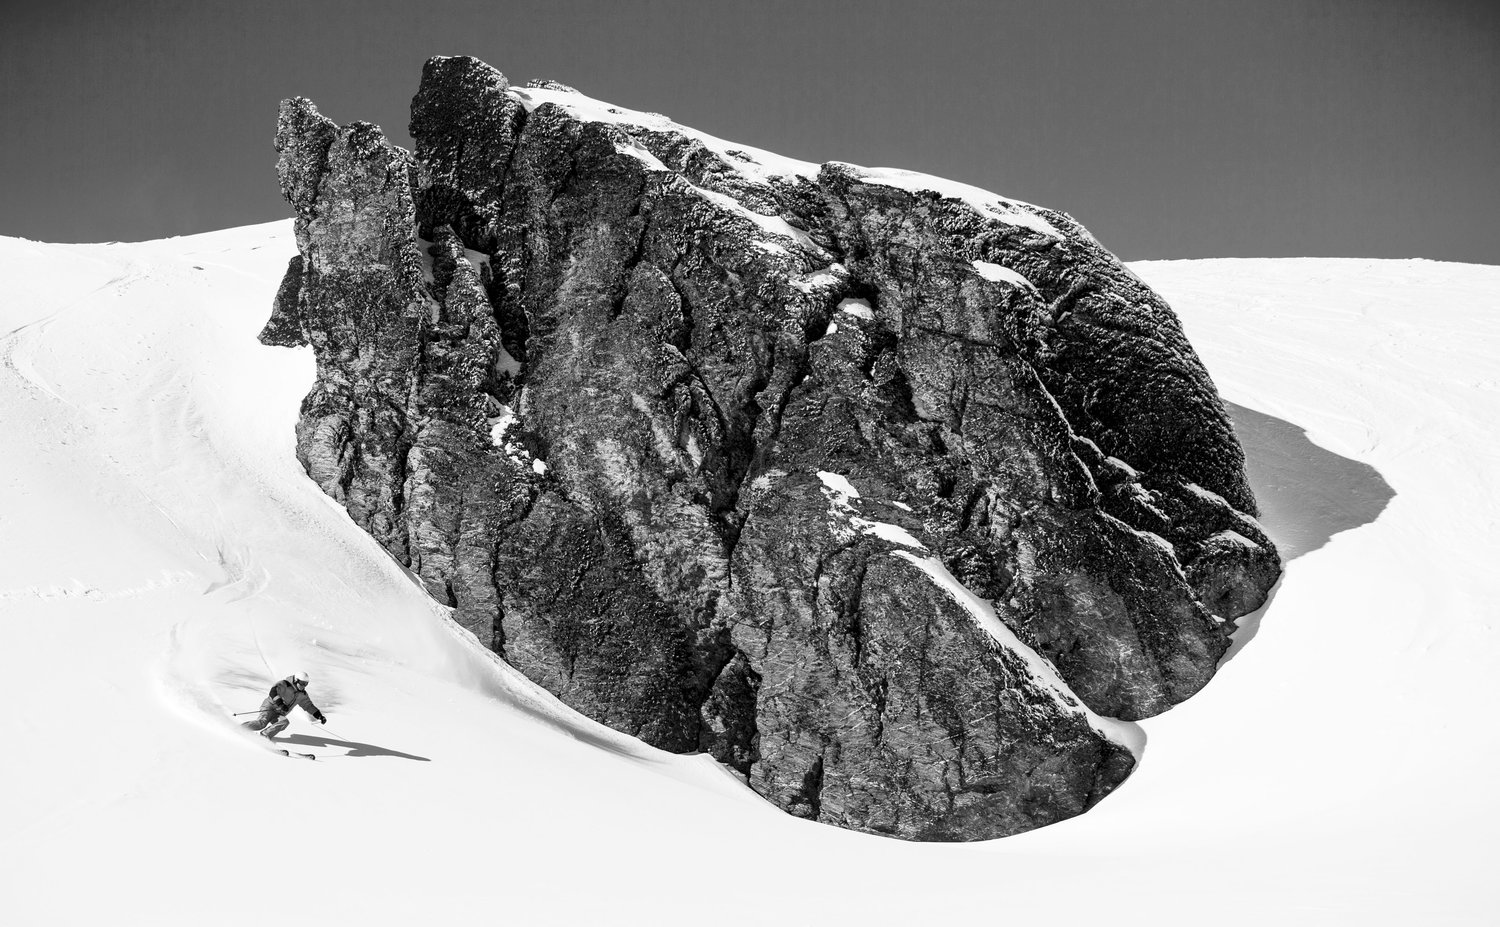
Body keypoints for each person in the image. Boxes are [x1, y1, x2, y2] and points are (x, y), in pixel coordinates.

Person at [242, 671, 326, 739]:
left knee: (284, 722)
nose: (303, 686)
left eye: (306, 684)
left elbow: (308, 705)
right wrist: (280, 704)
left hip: (279, 713)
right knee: (262, 723)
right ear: (296, 680)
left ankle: (264, 735)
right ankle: (240, 729)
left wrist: (319, 716)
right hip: (269, 707)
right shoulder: (284, 684)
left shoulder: (302, 695)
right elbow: (273, 692)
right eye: (302, 683)